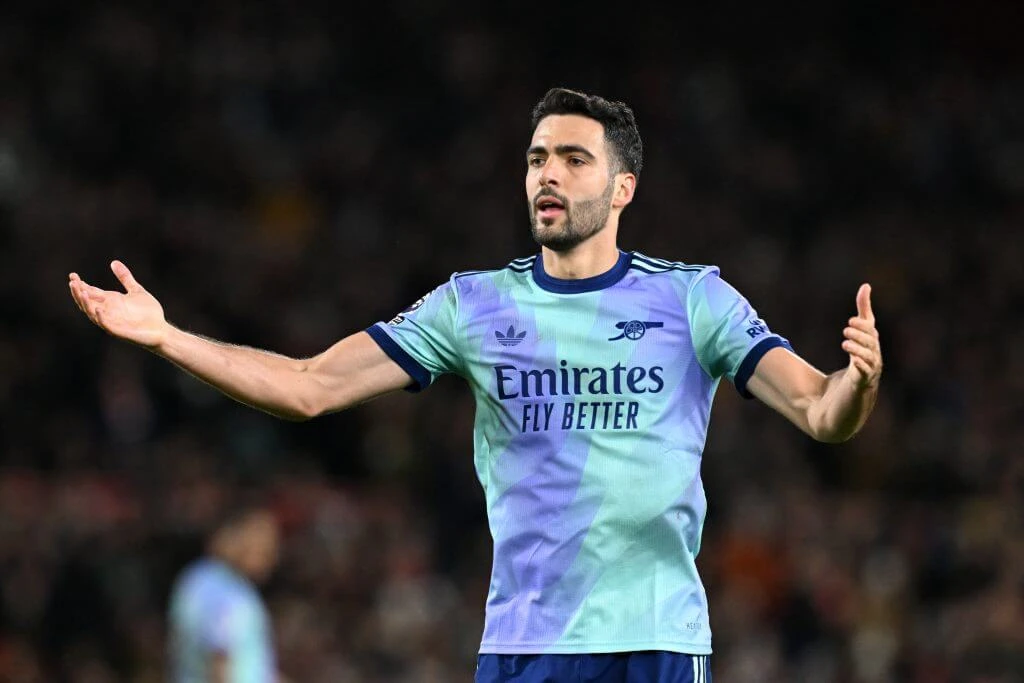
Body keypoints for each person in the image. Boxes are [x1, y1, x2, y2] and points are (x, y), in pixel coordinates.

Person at [69, 88, 882, 682]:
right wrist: (167, 336)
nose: (547, 176)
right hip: (525, 645)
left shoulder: (693, 297)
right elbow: (309, 386)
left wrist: (858, 381)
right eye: (536, 159)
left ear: (623, 186)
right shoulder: (473, 304)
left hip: (656, 641)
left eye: (572, 158)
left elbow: (820, 411)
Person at [167, 500, 281, 683]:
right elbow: (219, 660)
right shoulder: (225, 590)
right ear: (229, 534)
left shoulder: (199, 579)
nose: (269, 549)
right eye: (260, 536)